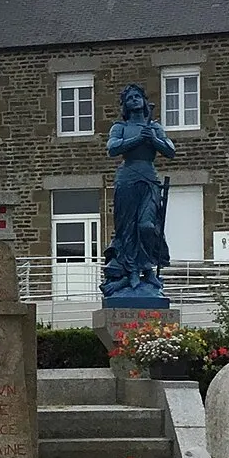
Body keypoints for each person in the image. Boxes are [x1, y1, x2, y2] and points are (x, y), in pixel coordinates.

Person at [101, 84, 176, 303]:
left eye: (138, 96)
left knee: (147, 226)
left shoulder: (154, 127)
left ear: (144, 101)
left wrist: (152, 139)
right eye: (129, 98)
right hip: (127, 180)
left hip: (149, 180)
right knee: (127, 231)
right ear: (124, 105)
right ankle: (132, 272)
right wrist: (137, 139)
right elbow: (112, 148)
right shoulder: (120, 127)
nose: (134, 100)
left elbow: (170, 151)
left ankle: (148, 268)